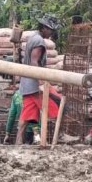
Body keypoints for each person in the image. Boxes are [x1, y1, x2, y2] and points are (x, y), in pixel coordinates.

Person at [15, 15, 63, 145]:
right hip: (35, 85)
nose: (52, 33)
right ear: (44, 28)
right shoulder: (39, 42)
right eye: (50, 30)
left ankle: (18, 142)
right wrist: (42, 82)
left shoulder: (33, 38)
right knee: (57, 106)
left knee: (25, 116)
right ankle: (59, 137)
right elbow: (34, 61)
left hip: (27, 85)